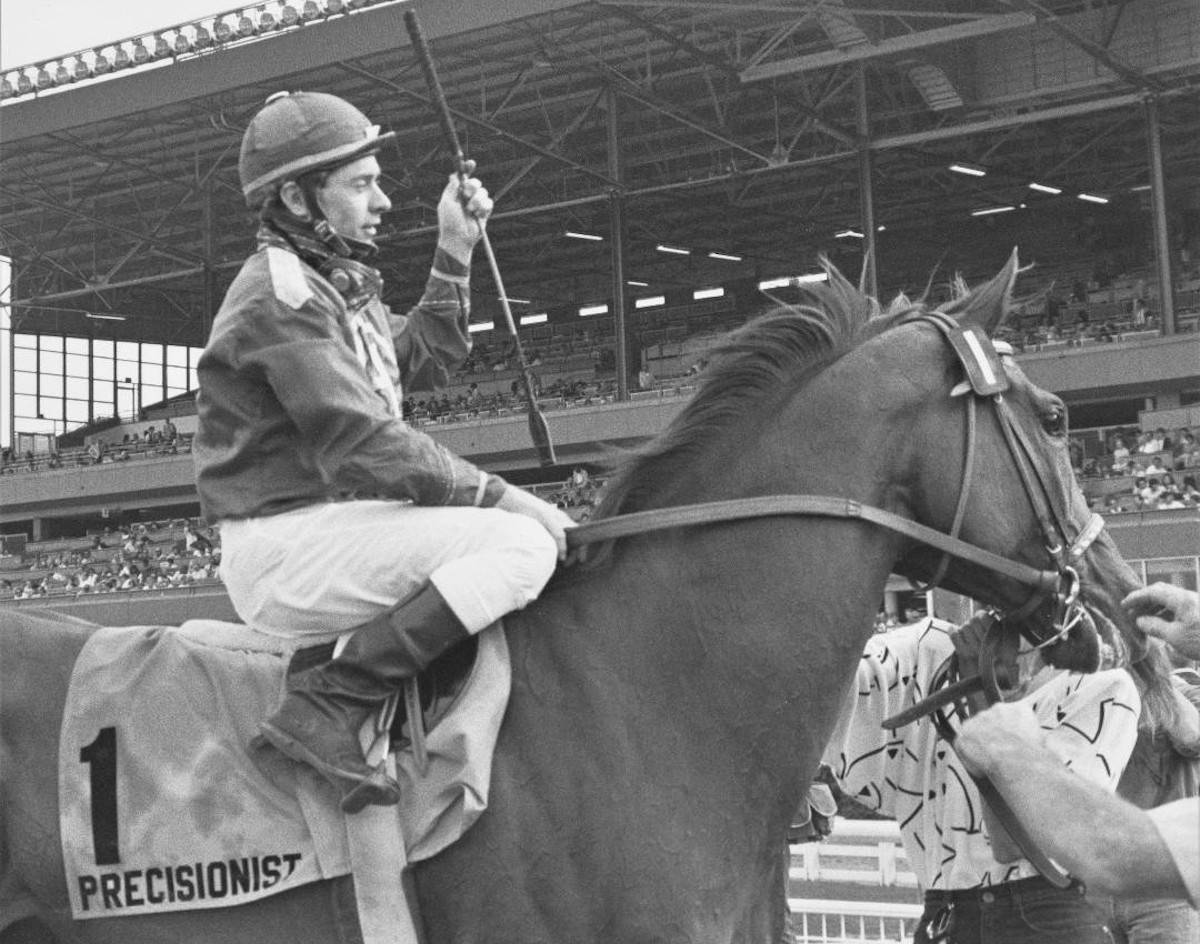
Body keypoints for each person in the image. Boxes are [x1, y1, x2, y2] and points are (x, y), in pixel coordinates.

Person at [192, 91, 574, 814]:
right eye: (362, 184)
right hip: (287, 548)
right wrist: (504, 494)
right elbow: (364, 441)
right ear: (298, 199)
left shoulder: (333, 285)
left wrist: (455, 247)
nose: (384, 200)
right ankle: (330, 703)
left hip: (334, 530)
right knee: (521, 546)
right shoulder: (282, 295)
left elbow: (416, 358)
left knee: (520, 541)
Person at [823, 614, 1143, 944]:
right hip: (947, 917)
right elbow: (815, 684)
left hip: (1041, 921)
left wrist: (979, 694)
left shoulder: (1103, 690)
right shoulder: (929, 652)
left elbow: (1016, 841)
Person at [956, 583, 1200, 907]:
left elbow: (1191, 738)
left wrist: (1144, 668)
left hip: (1158, 882)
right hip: (1109, 875)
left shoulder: (1159, 689)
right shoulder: (1075, 691)